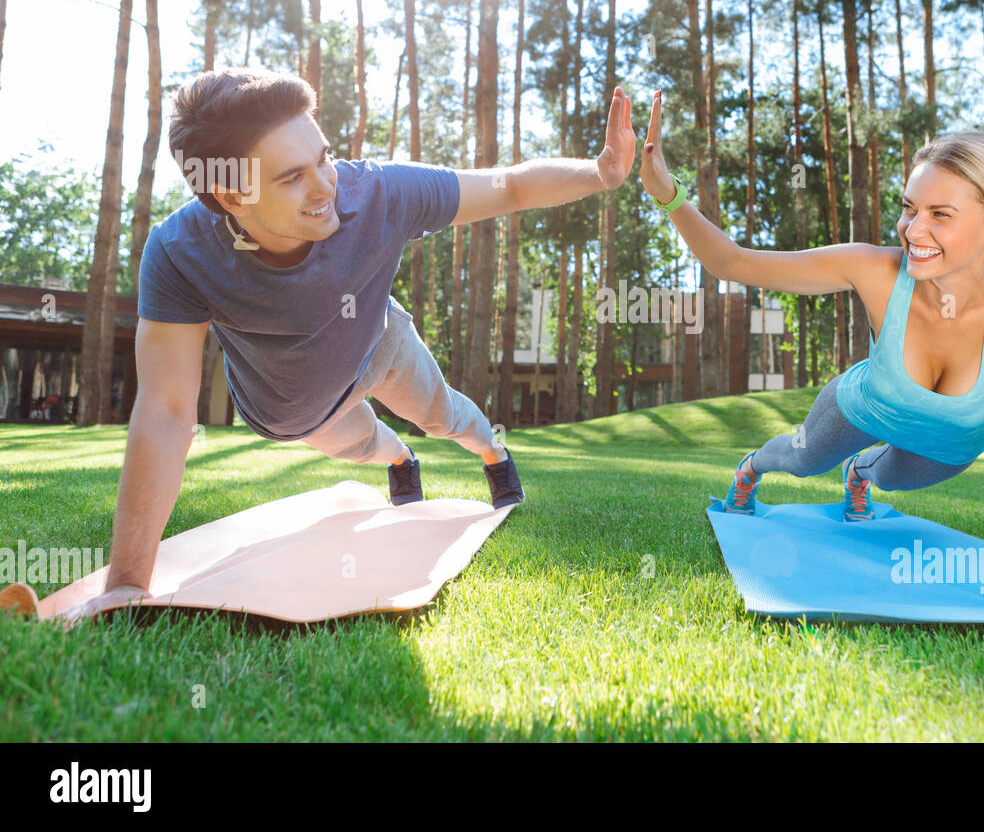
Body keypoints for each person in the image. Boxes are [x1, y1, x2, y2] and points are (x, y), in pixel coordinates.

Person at [60, 67, 638, 624]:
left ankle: (493, 453)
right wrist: (129, 584)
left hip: (380, 344)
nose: (326, 186)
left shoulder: (378, 191)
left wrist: (601, 173)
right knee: (367, 446)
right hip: (294, 407)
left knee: (443, 416)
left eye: (324, 157)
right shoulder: (179, 253)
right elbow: (165, 410)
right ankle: (401, 461)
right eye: (293, 178)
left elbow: (507, 185)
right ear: (231, 197)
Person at [638, 89, 984, 620]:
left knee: (885, 477)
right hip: (861, 409)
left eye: (941, 214)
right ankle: (752, 466)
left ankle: (860, 476)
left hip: (950, 446)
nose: (914, 231)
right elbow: (732, 262)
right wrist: (667, 193)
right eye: (910, 209)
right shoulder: (873, 269)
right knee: (803, 459)